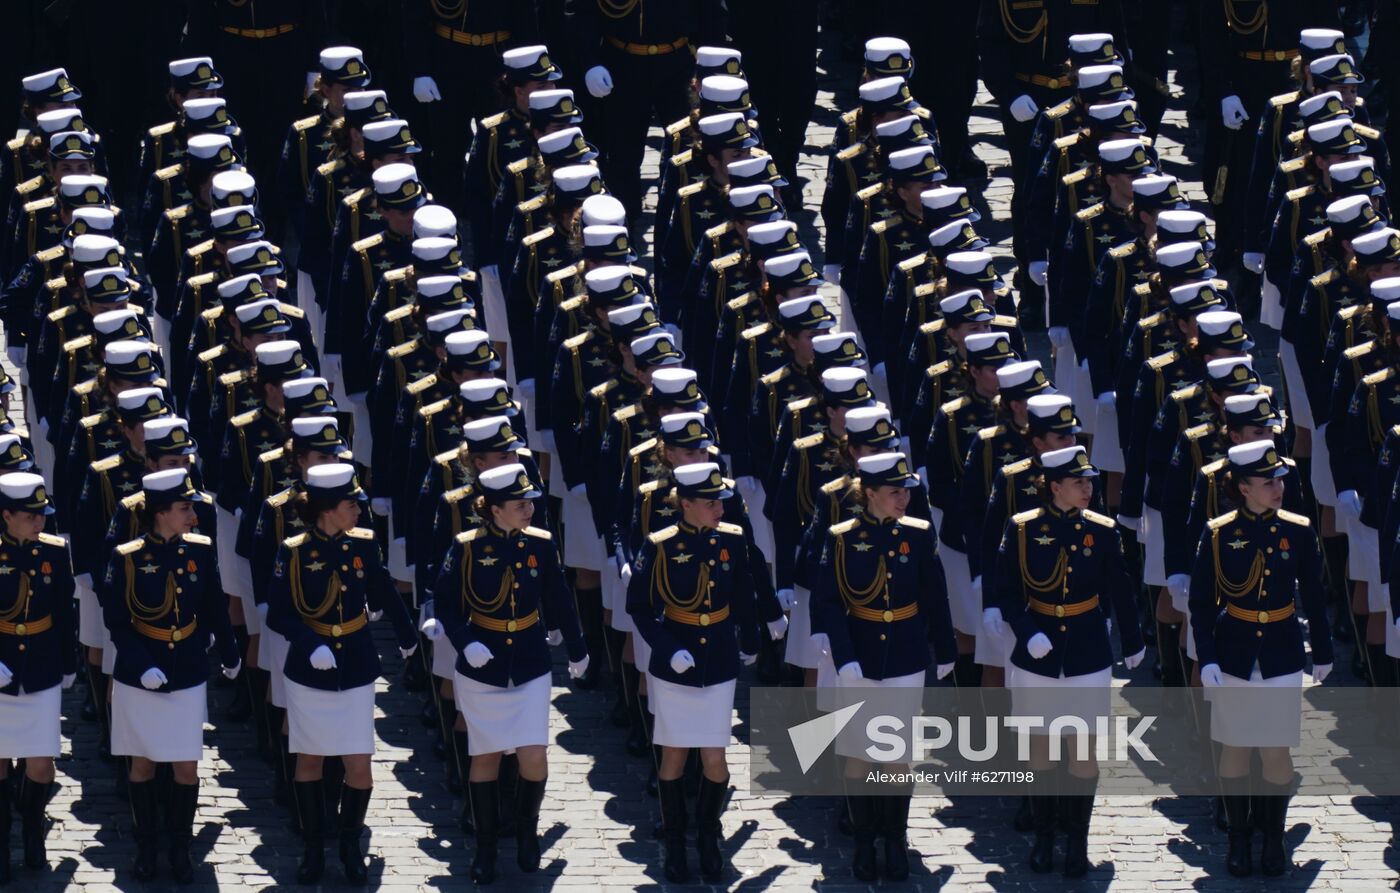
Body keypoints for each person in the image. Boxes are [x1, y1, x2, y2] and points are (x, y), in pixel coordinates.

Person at [989, 445, 1144, 877]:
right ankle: (1044, 837)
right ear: (1054, 486)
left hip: (1086, 649)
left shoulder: (1102, 530)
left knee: (1082, 750)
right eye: (1078, 482)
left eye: (1089, 481)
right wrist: (1027, 630)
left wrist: (1132, 640)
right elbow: (1005, 590)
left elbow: (1121, 587)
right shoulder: (1022, 529)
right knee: (1039, 747)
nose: (1088, 489)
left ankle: (1077, 841)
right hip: (1037, 652)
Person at [626, 461, 785, 882]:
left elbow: (743, 592)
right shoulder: (659, 545)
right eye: (711, 502)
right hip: (674, 664)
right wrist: (667, 648)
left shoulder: (731, 539)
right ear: (687, 503)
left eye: (720, 501)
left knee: (714, 756)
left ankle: (708, 835)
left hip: (717, 658)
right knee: (675, 754)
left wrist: (751, 639)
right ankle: (675, 840)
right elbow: (638, 607)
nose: (720, 508)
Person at [431, 462, 589, 884]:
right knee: (484, 755)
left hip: (530, 660)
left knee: (532, 754)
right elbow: (445, 602)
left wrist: (577, 647)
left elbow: (558, 597)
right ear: (495, 509)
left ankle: (526, 830)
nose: (529, 510)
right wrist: (465, 642)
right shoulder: (466, 547)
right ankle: (484, 847)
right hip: (482, 665)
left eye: (530, 502)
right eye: (520, 505)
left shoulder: (540, 544)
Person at [263, 463, 416, 884]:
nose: (358, 512)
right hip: (309, 669)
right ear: (328, 509)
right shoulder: (293, 551)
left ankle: (350, 845)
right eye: (351, 504)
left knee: (358, 762)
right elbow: (278, 612)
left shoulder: (363, 544)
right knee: (310, 758)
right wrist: (309, 643)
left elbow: (382, 589)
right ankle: (313, 846)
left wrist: (408, 637)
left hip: (355, 663)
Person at [1188, 440, 1332, 877]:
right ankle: (1238, 837)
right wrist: (1207, 657)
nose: (1278, 488)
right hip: (1234, 651)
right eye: (1267, 482)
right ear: (1243, 488)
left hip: (1280, 652)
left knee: (1275, 749)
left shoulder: (1299, 530)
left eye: (1279, 480)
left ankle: (1273, 836)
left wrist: (1323, 651)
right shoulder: (1218, 534)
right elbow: (1201, 603)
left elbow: (1314, 596)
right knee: (1235, 745)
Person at [812, 452, 957, 882]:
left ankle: (894, 839)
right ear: (870, 492)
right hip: (859, 654)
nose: (904, 499)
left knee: (897, 754)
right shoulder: (841, 538)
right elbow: (828, 600)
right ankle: (863, 840)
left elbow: (936, 596)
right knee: (859, 753)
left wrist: (946, 649)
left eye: (906, 491)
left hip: (905, 655)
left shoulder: (919, 533)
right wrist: (844, 655)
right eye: (895, 492)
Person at [99, 468, 241, 883]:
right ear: (160, 512)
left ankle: (180, 847)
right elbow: (116, 621)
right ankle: (146, 846)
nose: (193, 516)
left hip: (186, 670)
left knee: (185, 766)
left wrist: (230, 654)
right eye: (184, 508)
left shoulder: (200, 550)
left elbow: (214, 607)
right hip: (140, 673)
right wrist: (141, 665)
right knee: (142, 763)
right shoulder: (126, 558)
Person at [0, 472, 75, 880]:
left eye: (42, 514)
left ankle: (32, 828)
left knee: (41, 764)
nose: (39, 522)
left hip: (41, 665)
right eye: (30, 516)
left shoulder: (54, 551)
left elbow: (64, 610)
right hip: (1, 666)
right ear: (7, 515)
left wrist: (69, 662)